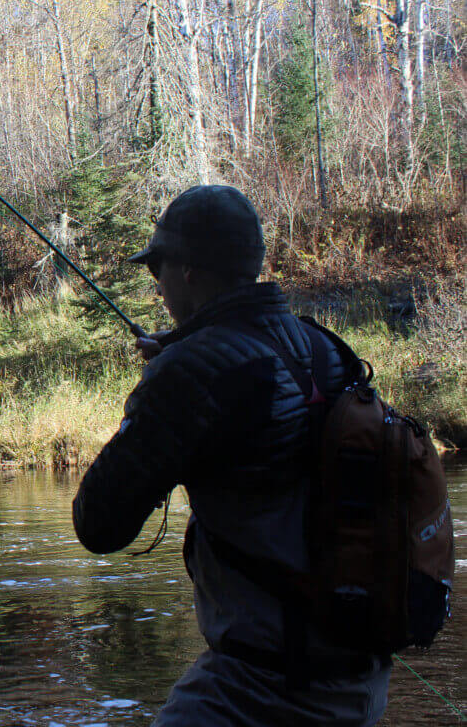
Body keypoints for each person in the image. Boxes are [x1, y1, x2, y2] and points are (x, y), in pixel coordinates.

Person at [72, 185, 391, 726]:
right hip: (359, 675)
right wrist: (183, 352)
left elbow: (98, 524)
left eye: (158, 269)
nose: (159, 286)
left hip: (264, 688)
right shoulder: (324, 348)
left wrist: (161, 386)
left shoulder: (191, 375)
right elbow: (258, 399)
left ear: (189, 271)